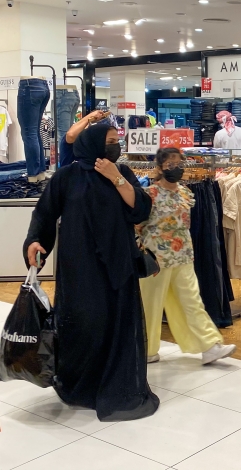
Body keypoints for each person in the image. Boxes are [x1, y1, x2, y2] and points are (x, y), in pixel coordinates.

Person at [24, 124, 159, 421]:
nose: (114, 146)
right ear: (92, 143)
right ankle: (80, 384)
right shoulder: (66, 177)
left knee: (116, 323)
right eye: (109, 141)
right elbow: (45, 213)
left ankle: (117, 381)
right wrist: (35, 240)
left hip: (117, 265)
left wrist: (116, 178)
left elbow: (140, 210)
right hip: (79, 267)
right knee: (83, 321)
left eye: (116, 141)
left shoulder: (122, 172)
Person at [136, 148, 237, 364]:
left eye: (179, 163)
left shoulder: (186, 193)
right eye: (170, 164)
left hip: (183, 256)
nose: (176, 168)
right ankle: (146, 349)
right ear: (160, 167)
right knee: (150, 305)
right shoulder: (149, 194)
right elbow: (137, 225)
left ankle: (209, 345)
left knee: (192, 300)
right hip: (156, 258)